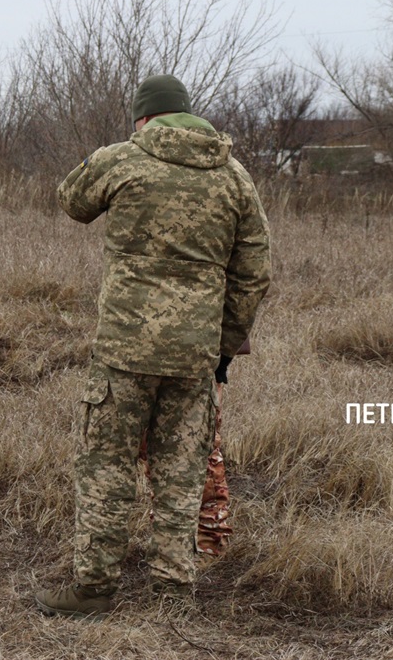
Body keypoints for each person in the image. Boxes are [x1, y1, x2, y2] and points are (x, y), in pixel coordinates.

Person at [35, 74, 271, 618]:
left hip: (123, 351)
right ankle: (173, 589)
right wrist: (223, 347)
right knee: (181, 474)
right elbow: (255, 274)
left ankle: (94, 588)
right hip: (194, 356)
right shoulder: (234, 176)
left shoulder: (123, 158)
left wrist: (110, 158)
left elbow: (71, 200)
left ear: (143, 118)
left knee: (105, 467)